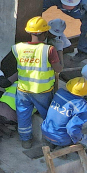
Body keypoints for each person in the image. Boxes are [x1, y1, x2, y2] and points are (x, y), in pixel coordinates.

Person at [12, 16, 63, 148]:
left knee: (23, 115)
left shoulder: (18, 48)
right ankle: (49, 140)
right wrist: (60, 50)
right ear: (45, 33)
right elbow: (59, 69)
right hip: (42, 91)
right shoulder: (49, 50)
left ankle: (26, 141)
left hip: (23, 90)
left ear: (29, 32)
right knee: (48, 116)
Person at [40, 77, 87, 149]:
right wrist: (81, 139)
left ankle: (50, 143)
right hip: (61, 138)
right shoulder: (82, 107)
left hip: (45, 131)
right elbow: (71, 128)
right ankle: (62, 147)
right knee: (81, 139)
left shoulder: (59, 93)